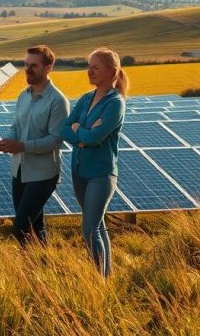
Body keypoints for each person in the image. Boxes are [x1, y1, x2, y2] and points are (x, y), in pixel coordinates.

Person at [60, 47, 128, 277]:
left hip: (101, 173)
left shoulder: (115, 103)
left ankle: (98, 280)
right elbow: (63, 128)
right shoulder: (86, 99)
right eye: (88, 66)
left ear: (112, 72)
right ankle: (106, 277)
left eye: (95, 67)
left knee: (89, 228)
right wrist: (83, 134)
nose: (90, 71)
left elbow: (95, 137)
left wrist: (81, 132)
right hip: (79, 169)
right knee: (97, 225)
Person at [0, 45, 69, 246]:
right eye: (26, 64)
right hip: (19, 170)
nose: (28, 69)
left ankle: (29, 266)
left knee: (20, 225)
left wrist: (22, 146)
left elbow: (56, 140)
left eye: (33, 65)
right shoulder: (23, 96)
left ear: (48, 67)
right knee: (35, 225)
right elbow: (15, 126)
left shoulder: (57, 101)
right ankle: (40, 265)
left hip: (43, 174)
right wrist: (5, 142)